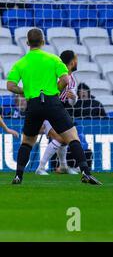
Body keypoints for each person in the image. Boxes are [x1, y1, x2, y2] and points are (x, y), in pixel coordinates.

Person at [6, 29, 100, 185]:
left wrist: (26, 91)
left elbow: (10, 85)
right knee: (72, 137)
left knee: (28, 141)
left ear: (28, 43)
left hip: (34, 103)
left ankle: (18, 176)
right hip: (52, 102)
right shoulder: (53, 59)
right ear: (43, 42)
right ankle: (85, 172)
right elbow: (66, 79)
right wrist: (56, 90)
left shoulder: (21, 62)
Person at [35, 50, 80, 176]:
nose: (77, 62)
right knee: (60, 138)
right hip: (46, 109)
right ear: (72, 62)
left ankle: (64, 166)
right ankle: (40, 167)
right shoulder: (55, 74)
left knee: (65, 139)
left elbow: (71, 103)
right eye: (76, 59)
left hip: (57, 111)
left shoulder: (72, 79)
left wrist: (74, 97)